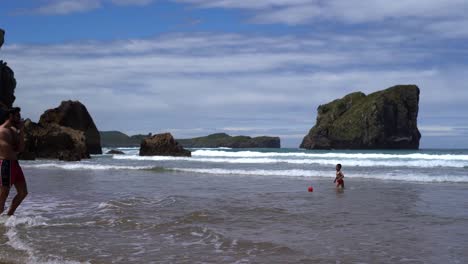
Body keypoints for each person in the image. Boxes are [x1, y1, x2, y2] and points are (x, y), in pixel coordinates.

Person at [0, 107, 28, 216]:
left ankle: (9, 215)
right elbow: (8, 150)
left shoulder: (13, 131)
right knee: (3, 195)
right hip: (5, 164)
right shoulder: (2, 131)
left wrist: (21, 132)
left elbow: (21, 149)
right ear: (10, 116)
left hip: (15, 164)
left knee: (23, 192)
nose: (20, 119)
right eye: (18, 116)